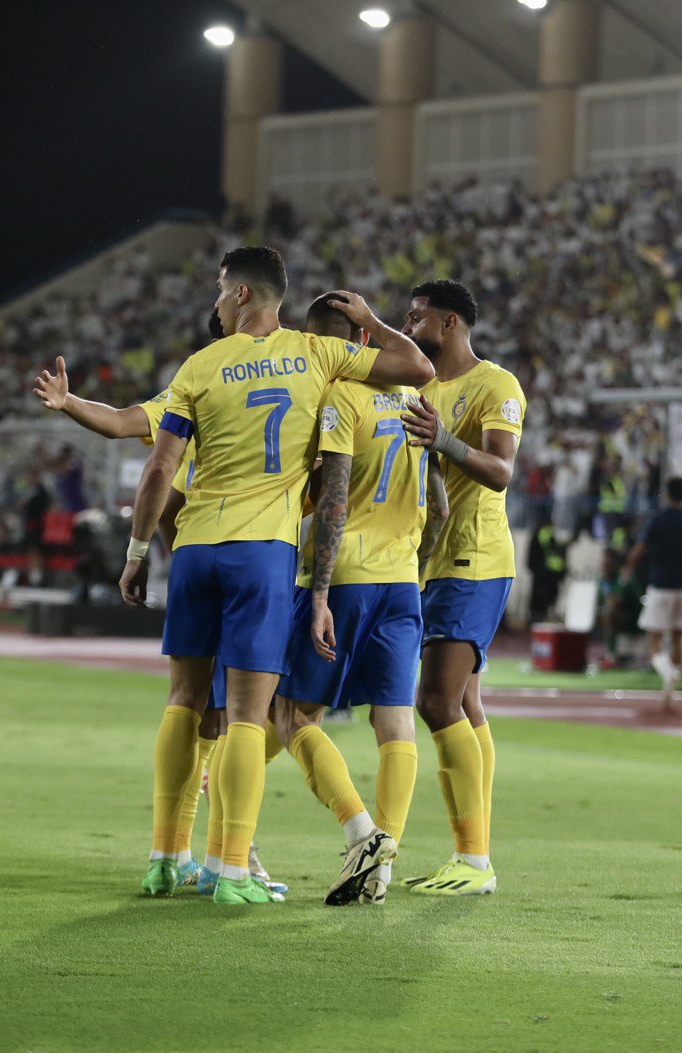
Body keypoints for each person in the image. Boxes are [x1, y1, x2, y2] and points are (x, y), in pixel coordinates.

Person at [120, 246, 433, 905]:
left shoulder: (200, 366)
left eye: (217, 290)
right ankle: (231, 867)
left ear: (240, 295)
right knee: (252, 715)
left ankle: (164, 857)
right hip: (272, 553)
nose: (213, 301)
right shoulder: (323, 362)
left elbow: (154, 470)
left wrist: (136, 549)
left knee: (183, 701)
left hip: (199, 547)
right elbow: (417, 367)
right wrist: (373, 319)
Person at [272, 293, 450, 906]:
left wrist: (319, 593)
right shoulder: (412, 402)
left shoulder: (337, 399)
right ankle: (382, 864)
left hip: (343, 575)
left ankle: (361, 829)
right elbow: (442, 506)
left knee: (291, 716)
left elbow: (336, 499)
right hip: (402, 581)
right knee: (394, 721)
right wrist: (412, 565)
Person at [399, 278, 525, 897]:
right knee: (465, 704)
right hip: (431, 560)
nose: (408, 322)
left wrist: (444, 440)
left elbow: (501, 471)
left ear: (449, 323)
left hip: (474, 557)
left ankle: (474, 860)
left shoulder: (495, 385)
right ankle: (471, 857)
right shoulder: (417, 387)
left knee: (436, 703)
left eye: (417, 316)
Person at [623, 476, 682, 709]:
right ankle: (669, 692)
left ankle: (668, 673)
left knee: (654, 643)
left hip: (660, 585)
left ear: (667, 493)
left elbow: (639, 549)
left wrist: (628, 567)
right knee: (678, 637)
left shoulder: (657, 520)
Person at [526, 510, 566, 622]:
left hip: (541, 569)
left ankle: (536, 615)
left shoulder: (538, 532)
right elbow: (551, 549)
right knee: (545, 594)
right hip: (546, 570)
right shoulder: (545, 532)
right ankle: (540, 615)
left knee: (538, 593)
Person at [21, 468, 51, 586]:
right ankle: (32, 574)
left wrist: (29, 505)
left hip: (37, 525)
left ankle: (37, 576)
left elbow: (42, 507)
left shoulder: (41, 491)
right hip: (29, 523)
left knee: (35, 549)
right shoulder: (29, 490)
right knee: (30, 549)